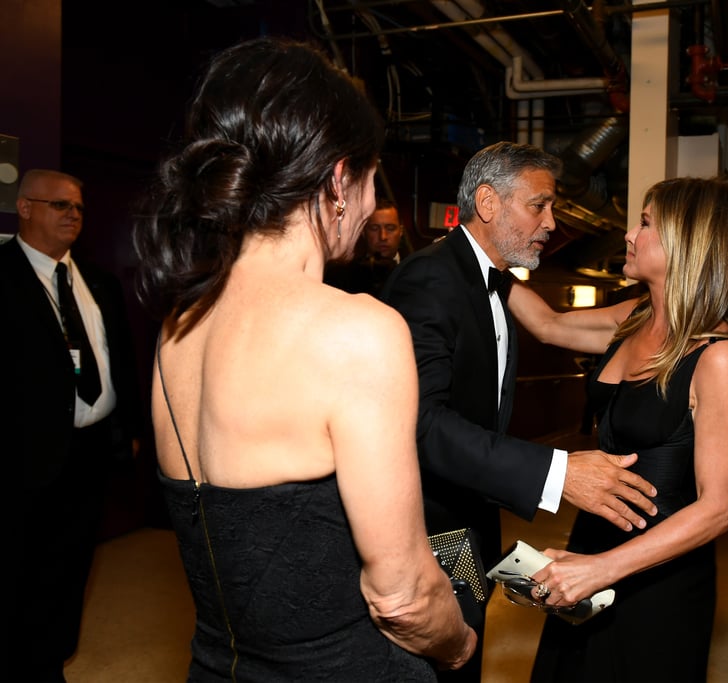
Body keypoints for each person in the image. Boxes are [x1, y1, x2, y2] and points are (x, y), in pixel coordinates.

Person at [132, 37, 475, 681]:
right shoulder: (357, 331)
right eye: (374, 179)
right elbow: (400, 595)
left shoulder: (180, 325)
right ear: (341, 180)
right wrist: (460, 646)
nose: (373, 204)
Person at [380, 140, 658, 682]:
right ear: (488, 203)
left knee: (463, 652)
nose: (552, 223)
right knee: (434, 665)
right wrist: (559, 473)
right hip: (426, 529)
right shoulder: (432, 279)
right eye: (540, 205)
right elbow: (417, 424)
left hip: (465, 525)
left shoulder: (492, 281)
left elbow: (548, 330)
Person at [508, 176, 728, 682]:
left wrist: (601, 569)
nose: (629, 234)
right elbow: (548, 325)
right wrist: (485, 261)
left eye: (646, 223)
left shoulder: (719, 358)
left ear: (687, 242)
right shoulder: (634, 316)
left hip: (657, 574)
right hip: (592, 542)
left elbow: (716, 511)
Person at [1, 169, 142, 682]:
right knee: (21, 569)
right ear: (25, 209)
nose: (74, 216)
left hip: (88, 452)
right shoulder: (3, 275)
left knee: (71, 565)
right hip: (22, 456)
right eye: (61, 206)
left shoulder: (99, 281)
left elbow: (119, 359)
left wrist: (127, 429)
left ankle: (51, 661)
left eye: (79, 207)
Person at [323, 196, 405, 297]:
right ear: (363, 232)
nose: (383, 236)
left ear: (401, 231)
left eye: (390, 228)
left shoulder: (416, 270)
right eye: (374, 228)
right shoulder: (341, 276)